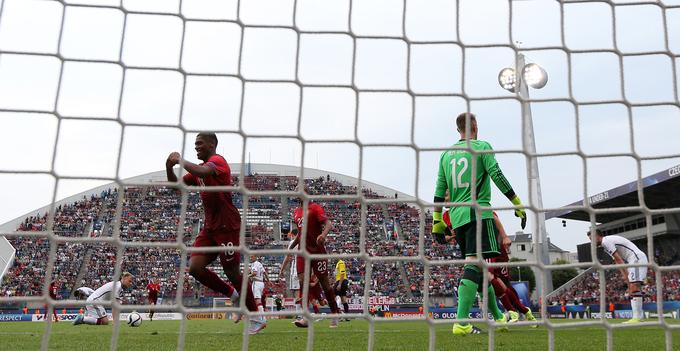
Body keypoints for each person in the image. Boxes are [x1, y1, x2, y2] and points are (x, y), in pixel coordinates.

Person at [432, 112, 527, 335]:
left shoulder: (446, 155)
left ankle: (499, 317)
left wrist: (437, 221)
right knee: (475, 265)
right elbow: (496, 174)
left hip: (457, 217)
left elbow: (438, 191)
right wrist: (516, 202)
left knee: (482, 269)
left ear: (458, 130)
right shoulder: (482, 146)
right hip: (477, 213)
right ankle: (461, 322)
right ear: (475, 125)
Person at [166, 133, 263, 335]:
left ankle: (256, 316)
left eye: (199, 144)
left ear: (212, 144)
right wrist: (169, 167)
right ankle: (233, 294)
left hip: (227, 226)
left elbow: (203, 171)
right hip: (210, 227)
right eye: (195, 144)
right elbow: (177, 188)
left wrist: (180, 160)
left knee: (233, 273)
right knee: (195, 267)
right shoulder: (197, 172)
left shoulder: (217, 162)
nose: (196, 147)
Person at [283, 201, 340, 328]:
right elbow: (300, 234)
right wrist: (291, 247)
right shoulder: (296, 212)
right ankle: (305, 317)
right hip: (303, 252)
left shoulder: (315, 208)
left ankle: (335, 313)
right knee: (303, 281)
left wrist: (323, 234)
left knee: (325, 284)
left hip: (317, 252)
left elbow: (328, 223)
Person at [486, 213, 537, 326]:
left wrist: (504, 237)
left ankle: (513, 312)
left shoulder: (480, 206)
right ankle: (523, 311)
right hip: (490, 250)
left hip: (494, 250)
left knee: (496, 280)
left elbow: (494, 217)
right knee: (499, 283)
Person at [589, 230, 648, 323]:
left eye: (591, 239)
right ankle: (638, 317)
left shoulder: (605, 242)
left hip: (636, 258)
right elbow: (617, 261)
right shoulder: (606, 243)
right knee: (634, 287)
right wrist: (625, 276)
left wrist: (627, 277)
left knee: (633, 287)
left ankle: (637, 317)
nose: (591, 242)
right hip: (635, 259)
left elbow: (619, 260)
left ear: (597, 236)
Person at [250, 255, 269, 324]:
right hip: (261, 283)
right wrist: (268, 280)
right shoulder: (259, 264)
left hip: (256, 283)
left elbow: (254, 273)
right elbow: (265, 273)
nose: (250, 258)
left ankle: (262, 318)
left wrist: (247, 276)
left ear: (255, 257)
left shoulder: (254, 264)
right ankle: (260, 317)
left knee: (257, 300)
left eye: (251, 257)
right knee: (258, 300)